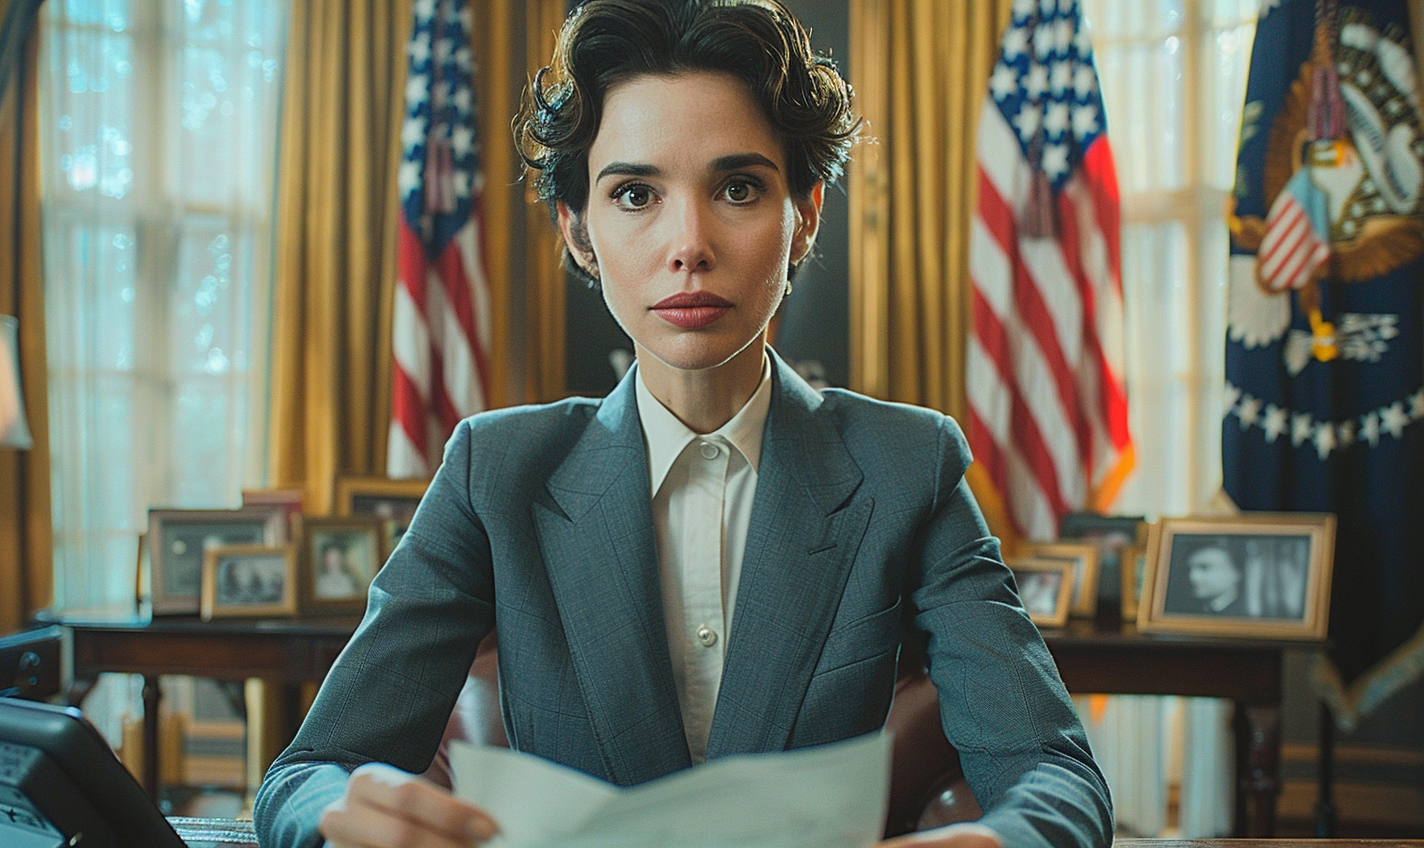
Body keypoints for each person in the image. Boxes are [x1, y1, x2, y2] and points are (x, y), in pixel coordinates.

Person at [255, 2, 1113, 847]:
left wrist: (999, 843)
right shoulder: (494, 470)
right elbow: (311, 771)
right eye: (635, 193)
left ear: (804, 214)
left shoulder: (907, 466)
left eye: (738, 188)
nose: (689, 243)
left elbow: (1052, 772)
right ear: (579, 231)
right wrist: (339, 811)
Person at [1183, 541, 1246, 616]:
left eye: (1205, 567)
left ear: (1236, 573)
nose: (1192, 577)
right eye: (1188, 569)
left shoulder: (1244, 615)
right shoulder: (1189, 611)